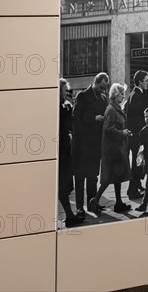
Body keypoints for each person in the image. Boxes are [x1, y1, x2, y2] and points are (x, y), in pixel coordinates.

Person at [88, 83, 132, 214]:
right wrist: (122, 133)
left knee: (116, 177)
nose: (124, 96)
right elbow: (108, 129)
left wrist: (124, 132)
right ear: (115, 95)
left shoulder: (115, 108)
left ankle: (118, 203)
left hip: (117, 148)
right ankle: (94, 201)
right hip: (112, 149)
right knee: (108, 179)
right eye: (122, 94)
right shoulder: (111, 110)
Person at [72, 72, 109, 216]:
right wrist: (94, 118)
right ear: (95, 82)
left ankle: (93, 204)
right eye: (101, 87)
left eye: (105, 88)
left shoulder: (103, 98)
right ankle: (80, 207)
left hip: (95, 144)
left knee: (93, 177)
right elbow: (76, 118)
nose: (103, 90)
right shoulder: (82, 96)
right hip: (82, 145)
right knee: (80, 177)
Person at [58, 79, 84, 228]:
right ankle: (69, 216)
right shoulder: (60, 107)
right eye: (65, 90)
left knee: (65, 186)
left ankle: (69, 215)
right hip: (61, 151)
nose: (67, 93)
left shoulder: (65, 106)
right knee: (62, 186)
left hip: (66, 151)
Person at [125, 70, 148, 200]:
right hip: (136, 136)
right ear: (140, 81)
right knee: (137, 163)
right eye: (146, 80)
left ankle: (137, 185)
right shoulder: (137, 96)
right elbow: (137, 119)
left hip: (133, 135)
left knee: (137, 163)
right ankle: (132, 190)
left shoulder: (133, 94)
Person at [136, 106, 148, 214]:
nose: (146, 119)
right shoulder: (143, 131)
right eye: (145, 117)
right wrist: (140, 158)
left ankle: (145, 204)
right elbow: (141, 146)